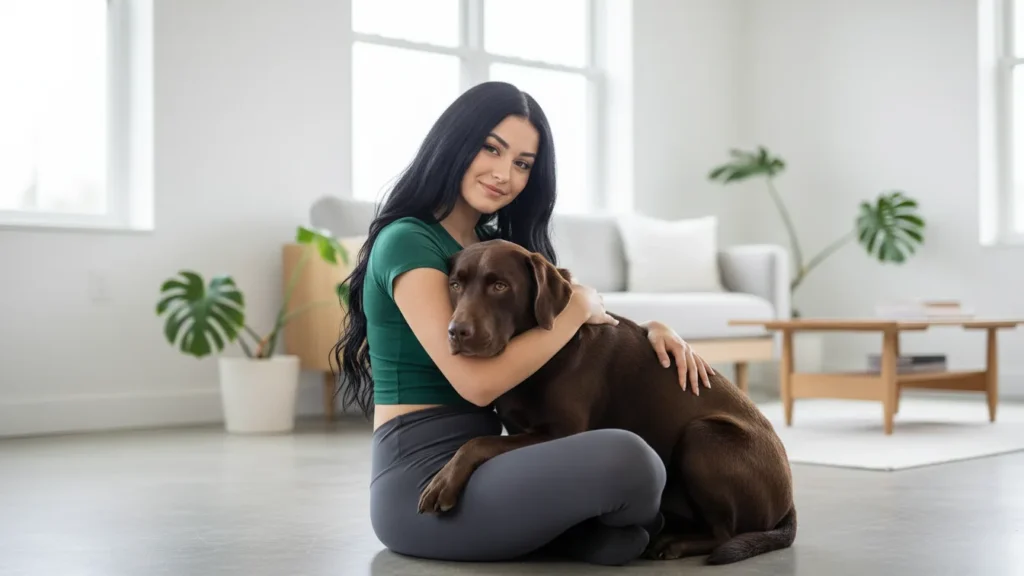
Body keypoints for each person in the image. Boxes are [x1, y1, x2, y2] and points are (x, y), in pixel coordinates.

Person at [333, 81, 716, 566]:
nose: (503, 173)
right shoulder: (407, 241)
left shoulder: (488, 245)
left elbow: (579, 317)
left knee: (623, 537)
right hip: (421, 480)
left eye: (522, 164)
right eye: (491, 148)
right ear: (454, 142)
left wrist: (651, 330)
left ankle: (578, 529)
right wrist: (578, 305)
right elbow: (476, 383)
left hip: (496, 459)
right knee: (630, 459)